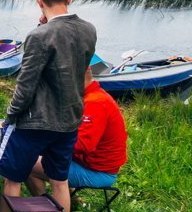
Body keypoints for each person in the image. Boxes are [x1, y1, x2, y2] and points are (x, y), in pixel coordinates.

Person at [0, 0, 96, 212]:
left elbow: (26, 85)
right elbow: (82, 75)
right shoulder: (89, 30)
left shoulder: (39, 35)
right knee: (59, 181)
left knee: (13, 179)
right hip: (69, 120)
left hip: (33, 122)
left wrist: (10, 115)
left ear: (39, 1)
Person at [27, 67, 127, 199]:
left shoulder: (94, 103)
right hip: (87, 163)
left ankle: (45, 211)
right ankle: (70, 202)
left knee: (26, 162)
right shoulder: (87, 97)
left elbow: (81, 146)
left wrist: (44, 141)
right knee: (37, 152)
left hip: (98, 172)